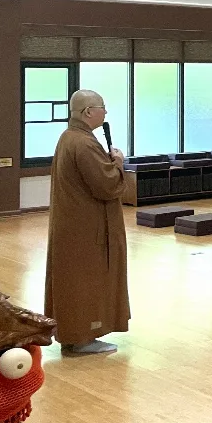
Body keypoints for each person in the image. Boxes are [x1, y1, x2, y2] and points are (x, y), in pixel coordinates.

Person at [44, 89, 129, 356]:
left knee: (74, 279)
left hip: (74, 225)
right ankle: (82, 337)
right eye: (102, 107)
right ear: (88, 112)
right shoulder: (84, 143)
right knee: (86, 280)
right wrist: (118, 164)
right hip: (86, 228)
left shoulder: (69, 138)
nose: (105, 113)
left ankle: (73, 335)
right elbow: (106, 186)